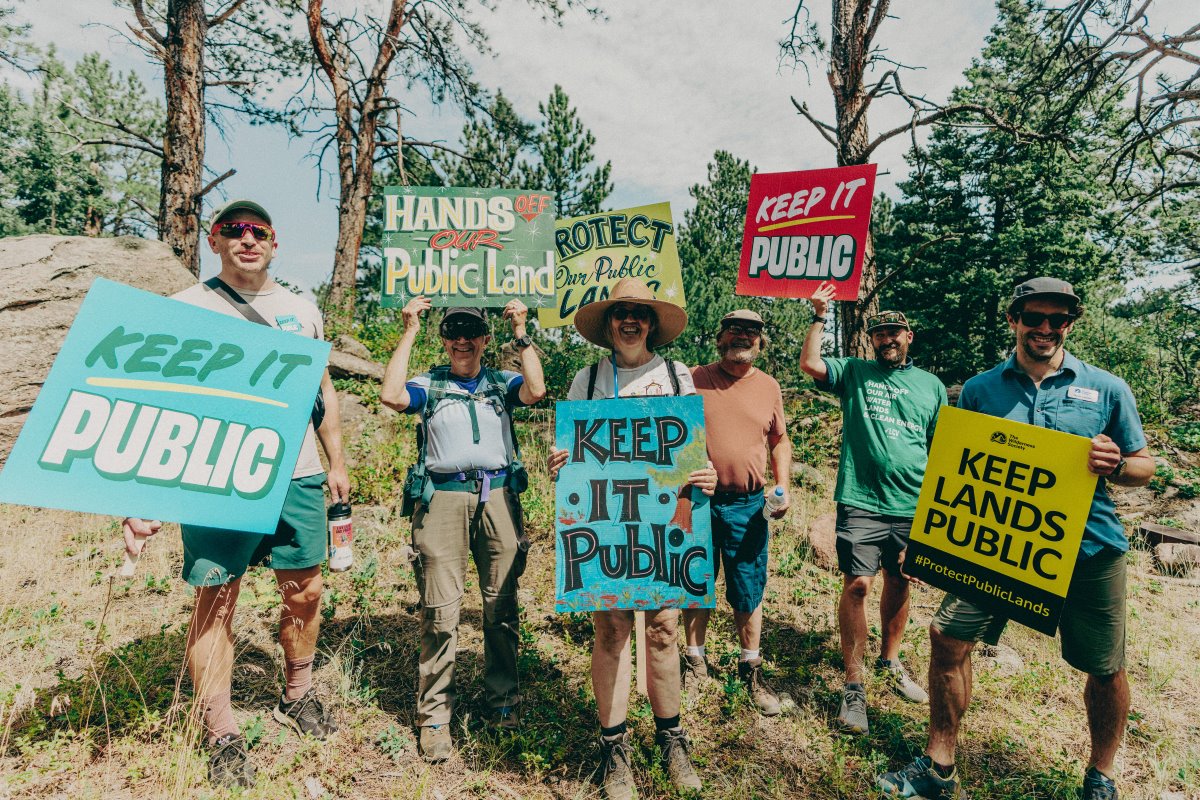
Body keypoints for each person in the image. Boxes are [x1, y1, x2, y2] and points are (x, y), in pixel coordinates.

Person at [878, 277, 1155, 800]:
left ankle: (1101, 775)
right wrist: (927, 539)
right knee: (947, 638)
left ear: (1069, 324)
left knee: (1105, 667)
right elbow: (953, 470)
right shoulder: (981, 389)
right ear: (1014, 321)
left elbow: (1144, 465)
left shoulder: (1107, 388)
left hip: (1090, 549)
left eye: (1058, 320)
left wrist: (1117, 464)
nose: (1046, 328)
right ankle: (939, 765)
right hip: (992, 548)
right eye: (1034, 318)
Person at [122, 198, 350, 788]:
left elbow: (322, 389)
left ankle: (297, 693)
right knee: (217, 599)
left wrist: (336, 461)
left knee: (306, 590)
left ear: (273, 244)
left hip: (296, 473)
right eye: (234, 230)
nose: (247, 239)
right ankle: (221, 732)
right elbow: (155, 399)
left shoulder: (302, 310)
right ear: (215, 241)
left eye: (258, 231)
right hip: (215, 474)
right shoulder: (184, 308)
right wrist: (142, 494)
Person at [547, 277, 716, 800]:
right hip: (608, 521)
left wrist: (706, 472)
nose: (630, 321)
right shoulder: (588, 379)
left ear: (652, 323)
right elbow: (569, 450)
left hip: (665, 522)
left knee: (664, 628)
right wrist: (560, 461)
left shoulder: (677, 375)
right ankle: (614, 748)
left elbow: (693, 447)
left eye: (640, 313)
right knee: (612, 628)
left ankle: (672, 739)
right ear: (608, 323)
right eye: (621, 312)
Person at [379, 295, 545, 763]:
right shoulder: (429, 383)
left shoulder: (501, 382)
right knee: (439, 610)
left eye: (471, 331)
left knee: (501, 606)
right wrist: (409, 330)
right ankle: (434, 716)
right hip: (442, 500)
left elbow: (536, 390)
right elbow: (391, 395)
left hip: (499, 498)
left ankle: (503, 701)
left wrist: (521, 331)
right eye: (454, 332)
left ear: (485, 339)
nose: (463, 340)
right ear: (444, 339)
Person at [799, 281, 946, 735]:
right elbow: (810, 364)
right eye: (879, 334)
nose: (887, 339)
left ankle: (890, 660)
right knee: (859, 585)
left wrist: (934, 514)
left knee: (900, 581)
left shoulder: (931, 386)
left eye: (894, 333)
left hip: (911, 503)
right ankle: (854, 684)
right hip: (861, 499)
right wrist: (819, 315)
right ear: (872, 339)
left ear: (908, 337)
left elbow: (942, 450)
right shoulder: (855, 372)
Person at [680, 309, 793, 716]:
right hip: (697, 500)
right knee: (696, 581)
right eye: (734, 329)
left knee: (748, 587)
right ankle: (694, 662)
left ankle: (751, 669)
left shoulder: (769, 386)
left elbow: (779, 439)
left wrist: (783, 485)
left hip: (749, 504)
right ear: (720, 337)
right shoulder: (692, 378)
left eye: (751, 332)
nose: (742, 336)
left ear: (760, 342)